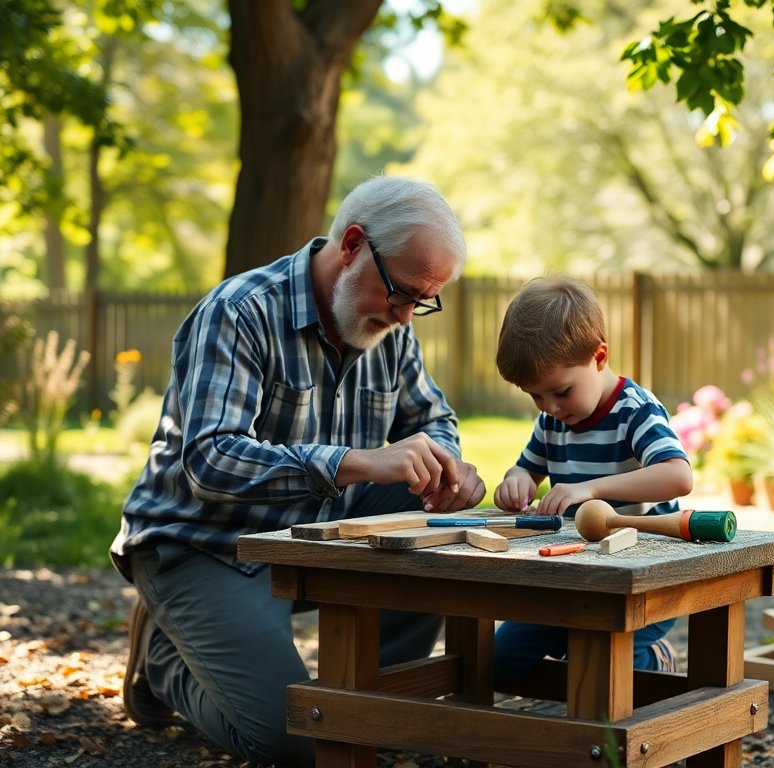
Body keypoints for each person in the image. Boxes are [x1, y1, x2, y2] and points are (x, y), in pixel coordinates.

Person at [110, 176, 486, 767]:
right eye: (401, 292)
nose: (406, 316)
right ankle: (164, 665)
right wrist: (356, 462)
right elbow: (210, 460)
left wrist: (446, 465)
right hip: (207, 544)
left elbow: (433, 418)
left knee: (432, 512)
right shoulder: (240, 312)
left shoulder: (390, 326)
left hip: (313, 534)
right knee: (299, 743)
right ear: (353, 244)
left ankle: (377, 698)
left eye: (424, 300)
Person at [490, 276, 693, 686]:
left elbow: (678, 476)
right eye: (536, 396)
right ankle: (576, 685)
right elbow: (526, 469)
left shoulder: (635, 411)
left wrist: (591, 488)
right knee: (498, 660)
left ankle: (655, 659)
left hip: (642, 583)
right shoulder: (553, 421)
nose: (549, 407)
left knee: (602, 661)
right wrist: (516, 480)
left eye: (561, 391)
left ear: (599, 357)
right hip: (573, 583)